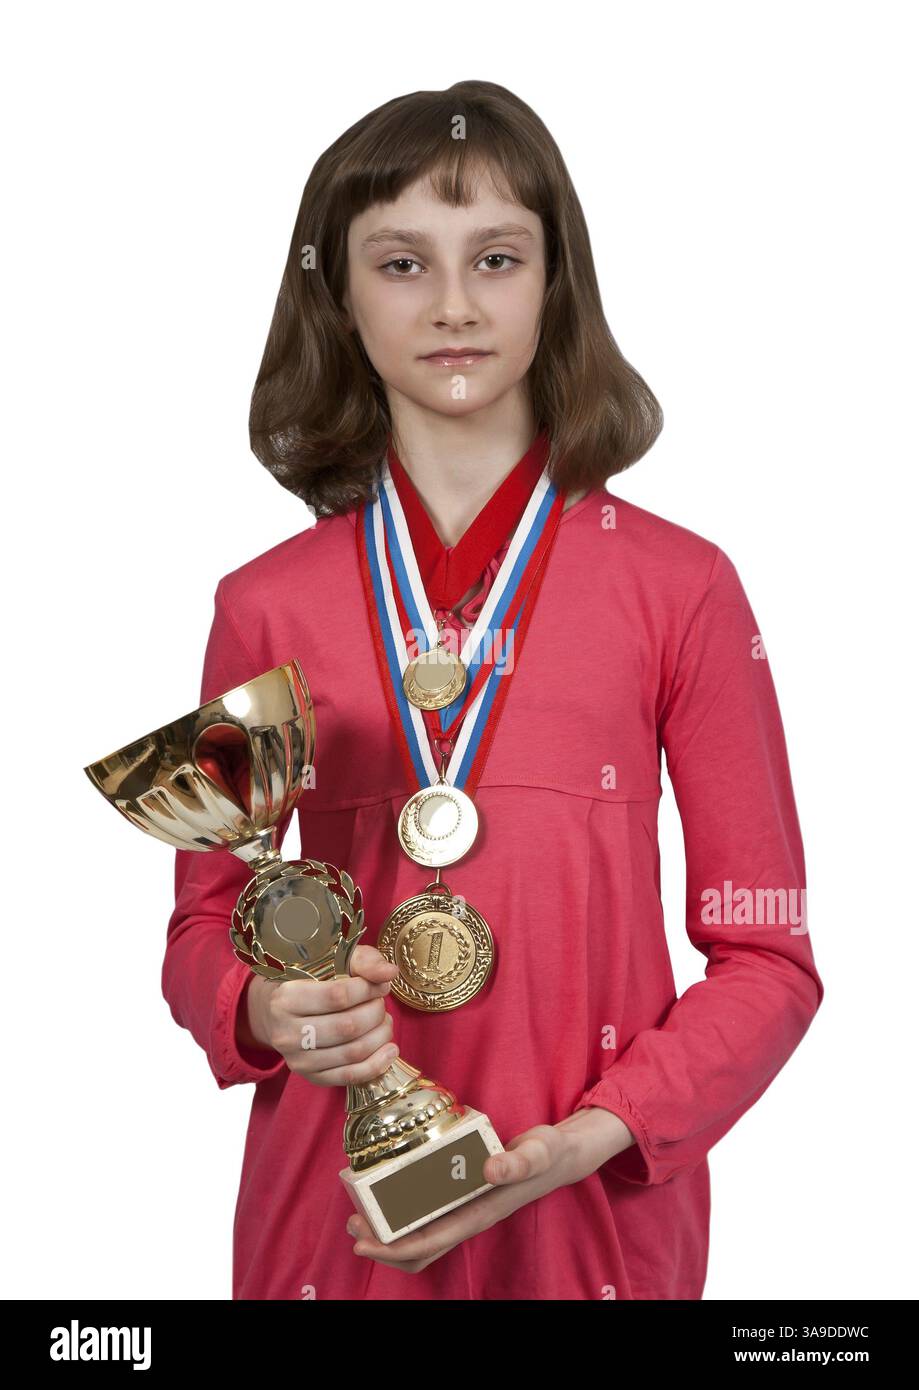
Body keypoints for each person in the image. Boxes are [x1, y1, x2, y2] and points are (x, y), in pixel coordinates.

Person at [162, 79, 824, 1300]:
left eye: (498, 258)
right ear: (339, 295)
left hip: (595, 1216)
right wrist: (263, 1008)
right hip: (334, 1219)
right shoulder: (262, 605)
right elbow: (205, 925)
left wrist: (600, 1133)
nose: (455, 306)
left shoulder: (682, 587)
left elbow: (768, 959)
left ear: (553, 282)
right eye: (403, 262)